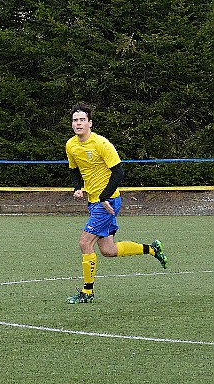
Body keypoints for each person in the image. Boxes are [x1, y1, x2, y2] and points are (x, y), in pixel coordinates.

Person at [64, 102, 168, 304]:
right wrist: (78, 187)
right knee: (108, 251)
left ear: (90, 123)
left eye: (82, 120)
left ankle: (87, 292)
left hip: (108, 201)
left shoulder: (102, 144)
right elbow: (74, 169)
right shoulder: (71, 145)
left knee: (85, 243)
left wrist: (104, 196)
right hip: (95, 202)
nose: (78, 123)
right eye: (75, 120)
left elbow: (119, 172)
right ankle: (152, 249)